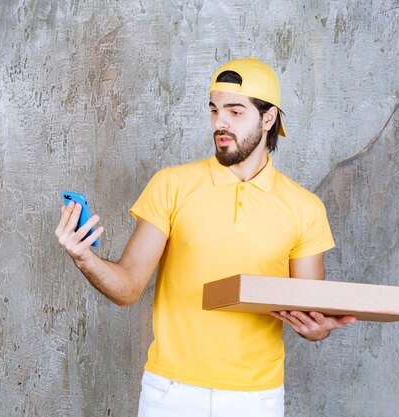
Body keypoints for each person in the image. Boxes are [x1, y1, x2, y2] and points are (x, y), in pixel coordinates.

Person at [55, 57, 356, 417]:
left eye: (235, 111)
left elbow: (310, 307)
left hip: (256, 398)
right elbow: (129, 288)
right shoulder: (172, 185)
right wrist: (85, 257)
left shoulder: (305, 208)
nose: (219, 123)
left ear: (269, 117)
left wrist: (317, 329)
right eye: (214, 110)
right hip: (170, 391)